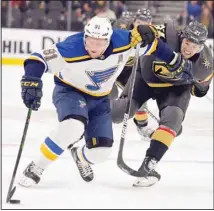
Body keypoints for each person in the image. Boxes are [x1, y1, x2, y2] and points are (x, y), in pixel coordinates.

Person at [18, 15, 191, 187]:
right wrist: (31, 81)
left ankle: (79, 155)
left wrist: (174, 60)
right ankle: (36, 167)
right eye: (91, 41)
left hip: (101, 99)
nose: (94, 47)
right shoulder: (72, 47)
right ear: (84, 37)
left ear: (108, 39)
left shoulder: (124, 41)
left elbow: (153, 45)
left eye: (100, 42)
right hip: (70, 91)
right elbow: (37, 59)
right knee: (73, 127)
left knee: (100, 152)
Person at [111, 21, 213, 187]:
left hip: (176, 89)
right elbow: (144, 31)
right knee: (118, 113)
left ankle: (149, 164)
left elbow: (199, 90)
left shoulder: (205, 65)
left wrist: (199, 88)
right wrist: (142, 32)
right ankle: (88, 118)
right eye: (187, 43)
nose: (189, 49)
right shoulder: (168, 33)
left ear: (201, 47)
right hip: (144, 79)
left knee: (173, 120)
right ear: (182, 38)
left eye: (195, 46)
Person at [112, 8, 155, 140]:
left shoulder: (152, 34)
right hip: (111, 67)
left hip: (128, 71)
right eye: (140, 21)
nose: (142, 24)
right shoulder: (122, 27)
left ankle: (142, 127)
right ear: (134, 20)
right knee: (106, 97)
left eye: (146, 21)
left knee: (138, 96)